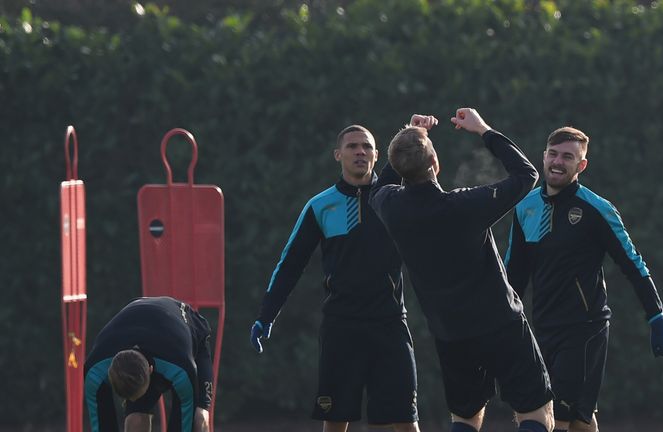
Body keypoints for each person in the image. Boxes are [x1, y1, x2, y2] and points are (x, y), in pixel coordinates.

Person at [369, 109, 554, 432]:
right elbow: (526, 175)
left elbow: (378, 187)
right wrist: (483, 130)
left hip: (450, 333)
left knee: (465, 418)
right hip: (501, 322)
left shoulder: (391, 206)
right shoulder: (464, 206)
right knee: (537, 412)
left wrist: (411, 136)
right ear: (436, 164)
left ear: (399, 168)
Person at [504, 126, 663, 432]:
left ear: (581, 165)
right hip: (541, 328)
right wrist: (498, 324)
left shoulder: (597, 209)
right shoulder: (524, 207)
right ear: (543, 157)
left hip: (584, 330)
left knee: (554, 419)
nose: (558, 162)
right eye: (553, 154)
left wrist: (656, 317)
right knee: (581, 420)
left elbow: (632, 265)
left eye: (567, 157)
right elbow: (512, 274)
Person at [249, 124, 419, 432]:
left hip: (390, 324)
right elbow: (290, 264)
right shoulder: (320, 205)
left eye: (367, 147)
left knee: (406, 421)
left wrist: (414, 129)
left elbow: (408, 156)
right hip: (342, 326)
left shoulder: (392, 196)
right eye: (353, 146)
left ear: (377, 155)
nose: (360, 152)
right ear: (338, 155)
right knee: (336, 420)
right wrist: (267, 314)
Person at [83, 296, 213, 432]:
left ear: (151, 370)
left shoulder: (182, 367)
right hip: (143, 329)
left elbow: (183, 425)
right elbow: (102, 426)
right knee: (135, 419)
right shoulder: (95, 370)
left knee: (199, 418)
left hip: (188, 336)